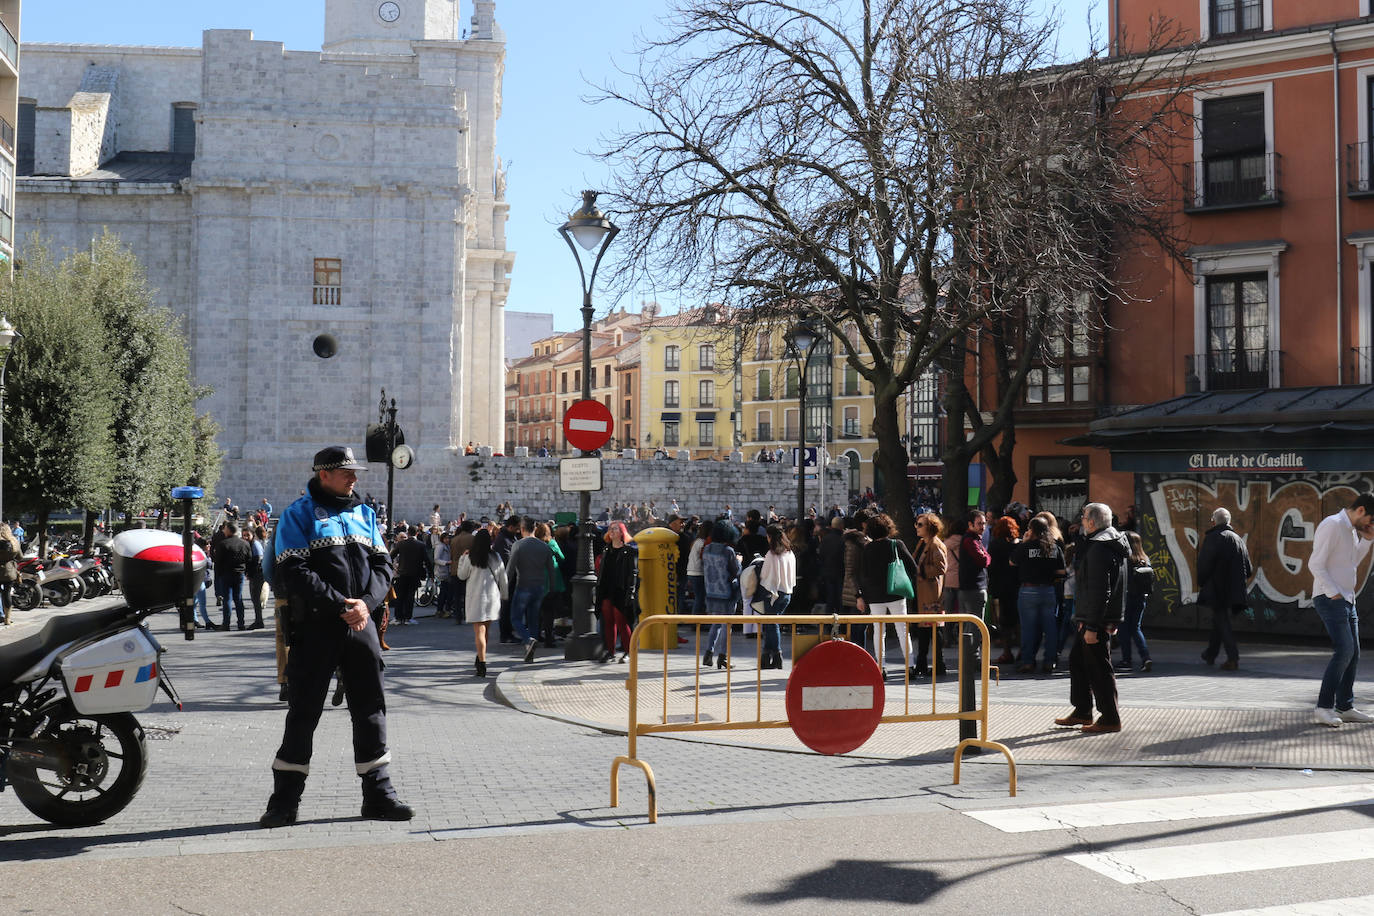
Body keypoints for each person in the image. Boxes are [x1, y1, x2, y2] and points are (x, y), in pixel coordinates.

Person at [259, 445, 412, 828]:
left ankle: (379, 795)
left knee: (371, 709)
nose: (355, 477)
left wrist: (365, 603)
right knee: (303, 713)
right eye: (346, 472)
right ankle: (284, 803)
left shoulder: (365, 514)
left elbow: (384, 566)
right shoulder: (297, 514)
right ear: (323, 473)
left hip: (360, 626)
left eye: (355, 471)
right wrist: (339, 604)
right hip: (315, 627)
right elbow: (293, 569)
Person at [1054, 502, 1128, 735]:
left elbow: (1100, 590)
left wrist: (1093, 627)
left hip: (1095, 618)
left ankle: (1109, 717)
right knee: (1078, 661)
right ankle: (1082, 710)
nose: (1082, 521)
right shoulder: (1108, 542)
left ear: (1093, 522)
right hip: (1092, 615)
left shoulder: (1100, 548)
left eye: (1085, 517)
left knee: (1098, 667)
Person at [1307, 493, 1374, 727]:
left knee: (1353, 653)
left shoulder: (1351, 531)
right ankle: (1323, 707)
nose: (1370, 525)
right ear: (1361, 510)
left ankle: (1344, 706)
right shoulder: (1332, 525)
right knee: (1344, 650)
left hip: (1347, 599)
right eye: (1371, 520)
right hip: (1331, 599)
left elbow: (1351, 562)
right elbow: (1315, 563)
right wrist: (1333, 592)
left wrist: (1367, 539)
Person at [856, 513, 919, 680]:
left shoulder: (867, 549)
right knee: (903, 630)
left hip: (874, 595)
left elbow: (862, 574)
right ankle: (909, 666)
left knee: (878, 631)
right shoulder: (896, 545)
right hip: (896, 592)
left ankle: (881, 667)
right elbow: (913, 567)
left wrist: (860, 595)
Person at [1196, 507, 1252, 671]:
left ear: (1213, 521)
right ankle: (1210, 653)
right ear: (1229, 521)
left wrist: (1202, 582)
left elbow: (1204, 565)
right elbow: (1248, 568)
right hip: (1234, 589)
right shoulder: (1238, 539)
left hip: (1217, 588)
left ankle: (1232, 658)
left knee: (1222, 620)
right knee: (1219, 620)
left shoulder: (1214, 538)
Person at [1010, 516, 1066, 675]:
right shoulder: (1054, 548)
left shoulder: (1025, 547)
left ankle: (1028, 661)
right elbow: (1062, 572)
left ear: (1032, 530)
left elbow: (1012, 562)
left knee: (1028, 629)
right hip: (1048, 591)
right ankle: (1050, 661)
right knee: (1050, 628)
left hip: (1028, 591)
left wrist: (1024, 542)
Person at [456, 528, 507, 677]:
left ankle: (482, 663)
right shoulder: (496, 557)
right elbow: (503, 578)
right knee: (485, 630)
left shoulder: (470, 557)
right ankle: (480, 657)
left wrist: (461, 559)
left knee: (479, 631)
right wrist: (505, 595)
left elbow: (461, 575)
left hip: (476, 598)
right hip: (492, 598)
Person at [507, 516, 558, 663]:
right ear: (535, 529)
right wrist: (552, 588)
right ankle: (530, 652)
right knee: (533, 618)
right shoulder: (544, 546)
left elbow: (510, 569)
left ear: (522, 529)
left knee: (515, 618)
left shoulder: (518, 545)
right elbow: (551, 569)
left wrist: (503, 587)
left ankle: (528, 640)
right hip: (540, 587)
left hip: (523, 585)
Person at [595, 522, 639, 662]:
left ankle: (628, 651)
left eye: (615, 529)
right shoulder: (606, 550)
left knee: (622, 622)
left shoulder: (629, 551)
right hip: (607, 589)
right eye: (610, 529)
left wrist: (631, 592)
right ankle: (610, 651)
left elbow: (633, 573)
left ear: (622, 533)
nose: (611, 531)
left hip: (622, 590)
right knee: (608, 622)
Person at [701, 519, 741, 669]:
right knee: (727, 626)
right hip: (727, 593)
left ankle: (708, 653)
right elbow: (736, 571)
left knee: (716, 624)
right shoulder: (728, 551)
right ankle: (723, 657)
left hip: (712, 592)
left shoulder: (707, 549)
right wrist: (739, 561)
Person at [912, 513, 947, 677]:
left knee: (934, 630)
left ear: (930, 527)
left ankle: (938, 664)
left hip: (931, 593)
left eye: (920, 524)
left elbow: (941, 567)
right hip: (922, 592)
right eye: (917, 524)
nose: (917, 527)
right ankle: (922, 663)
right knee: (924, 630)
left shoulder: (935, 544)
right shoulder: (922, 543)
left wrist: (922, 572)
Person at [758, 525, 797, 670]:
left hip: (773, 592)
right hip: (786, 592)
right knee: (771, 624)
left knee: (772, 623)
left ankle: (777, 653)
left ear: (770, 537)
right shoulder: (789, 553)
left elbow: (765, 575)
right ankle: (766, 655)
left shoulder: (771, 554)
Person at [1116, 531, 1154, 672]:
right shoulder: (1144, 558)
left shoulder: (1125, 559)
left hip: (1126, 598)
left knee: (1124, 629)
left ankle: (1127, 659)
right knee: (1136, 628)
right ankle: (1145, 657)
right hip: (1140, 597)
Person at [988, 516, 1020, 665]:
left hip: (1001, 587)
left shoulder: (995, 545)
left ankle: (1007, 652)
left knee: (1005, 620)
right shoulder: (1018, 545)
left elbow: (991, 566)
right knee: (1019, 619)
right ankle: (1022, 651)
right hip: (1018, 586)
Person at [389, 528, 430, 626]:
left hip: (402, 573)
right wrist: (431, 573)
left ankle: (398, 617)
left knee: (400, 596)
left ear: (408, 533)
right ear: (416, 533)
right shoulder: (421, 545)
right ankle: (408, 617)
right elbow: (427, 560)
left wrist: (393, 567)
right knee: (410, 596)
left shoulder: (401, 544)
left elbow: (391, 556)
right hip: (415, 573)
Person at [214, 523, 252, 630]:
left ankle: (226, 623)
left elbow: (218, 561)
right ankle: (241, 623)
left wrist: (219, 574)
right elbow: (249, 559)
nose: (224, 531)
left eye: (225, 529)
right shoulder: (244, 544)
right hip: (239, 573)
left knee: (227, 599)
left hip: (226, 573)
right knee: (238, 598)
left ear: (229, 531)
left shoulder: (223, 544)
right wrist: (247, 571)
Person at [245, 525, 268, 630]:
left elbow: (257, 560)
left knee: (255, 597)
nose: (245, 537)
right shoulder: (251, 544)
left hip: (257, 574)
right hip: (255, 574)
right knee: (255, 598)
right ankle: (258, 620)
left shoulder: (255, 544)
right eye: (243, 535)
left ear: (252, 535)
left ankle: (259, 621)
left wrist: (250, 573)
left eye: (247, 535)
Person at [0, 523, 18, 626]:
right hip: (9, 572)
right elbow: (20, 556)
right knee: (7, 594)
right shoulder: (14, 542)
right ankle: (7, 619)